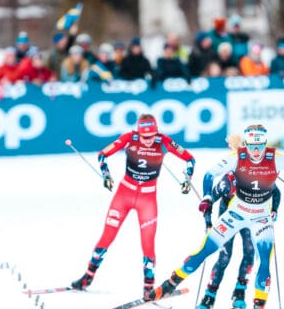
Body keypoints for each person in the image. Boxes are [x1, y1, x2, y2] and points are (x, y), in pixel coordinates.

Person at [148, 124, 284, 309]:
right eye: (252, 146)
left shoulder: (275, 157)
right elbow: (209, 174)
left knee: (263, 260)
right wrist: (206, 198)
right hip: (236, 213)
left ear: (265, 143)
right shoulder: (237, 157)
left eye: (260, 145)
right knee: (206, 250)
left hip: (261, 217)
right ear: (246, 144)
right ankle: (170, 285)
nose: (256, 151)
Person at [70, 113, 196, 298]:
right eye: (144, 137)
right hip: (124, 194)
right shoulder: (130, 138)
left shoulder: (164, 141)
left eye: (151, 136)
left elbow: (190, 159)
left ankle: (148, 288)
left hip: (147, 198)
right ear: (138, 132)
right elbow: (103, 155)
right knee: (107, 237)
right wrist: (106, 175)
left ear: (157, 132)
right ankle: (88, 277)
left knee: (148, 244)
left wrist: (187, 179)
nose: (147, 141)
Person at [194, 135, 282, 309]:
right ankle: (209, 296)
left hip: (253, 218)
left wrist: (274, 211)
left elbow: (276, 192)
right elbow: (210, 201)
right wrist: (208, 222)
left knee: (250, 253)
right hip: (230, 218)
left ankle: (239, 292)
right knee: (225, 257)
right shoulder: (228, 181)